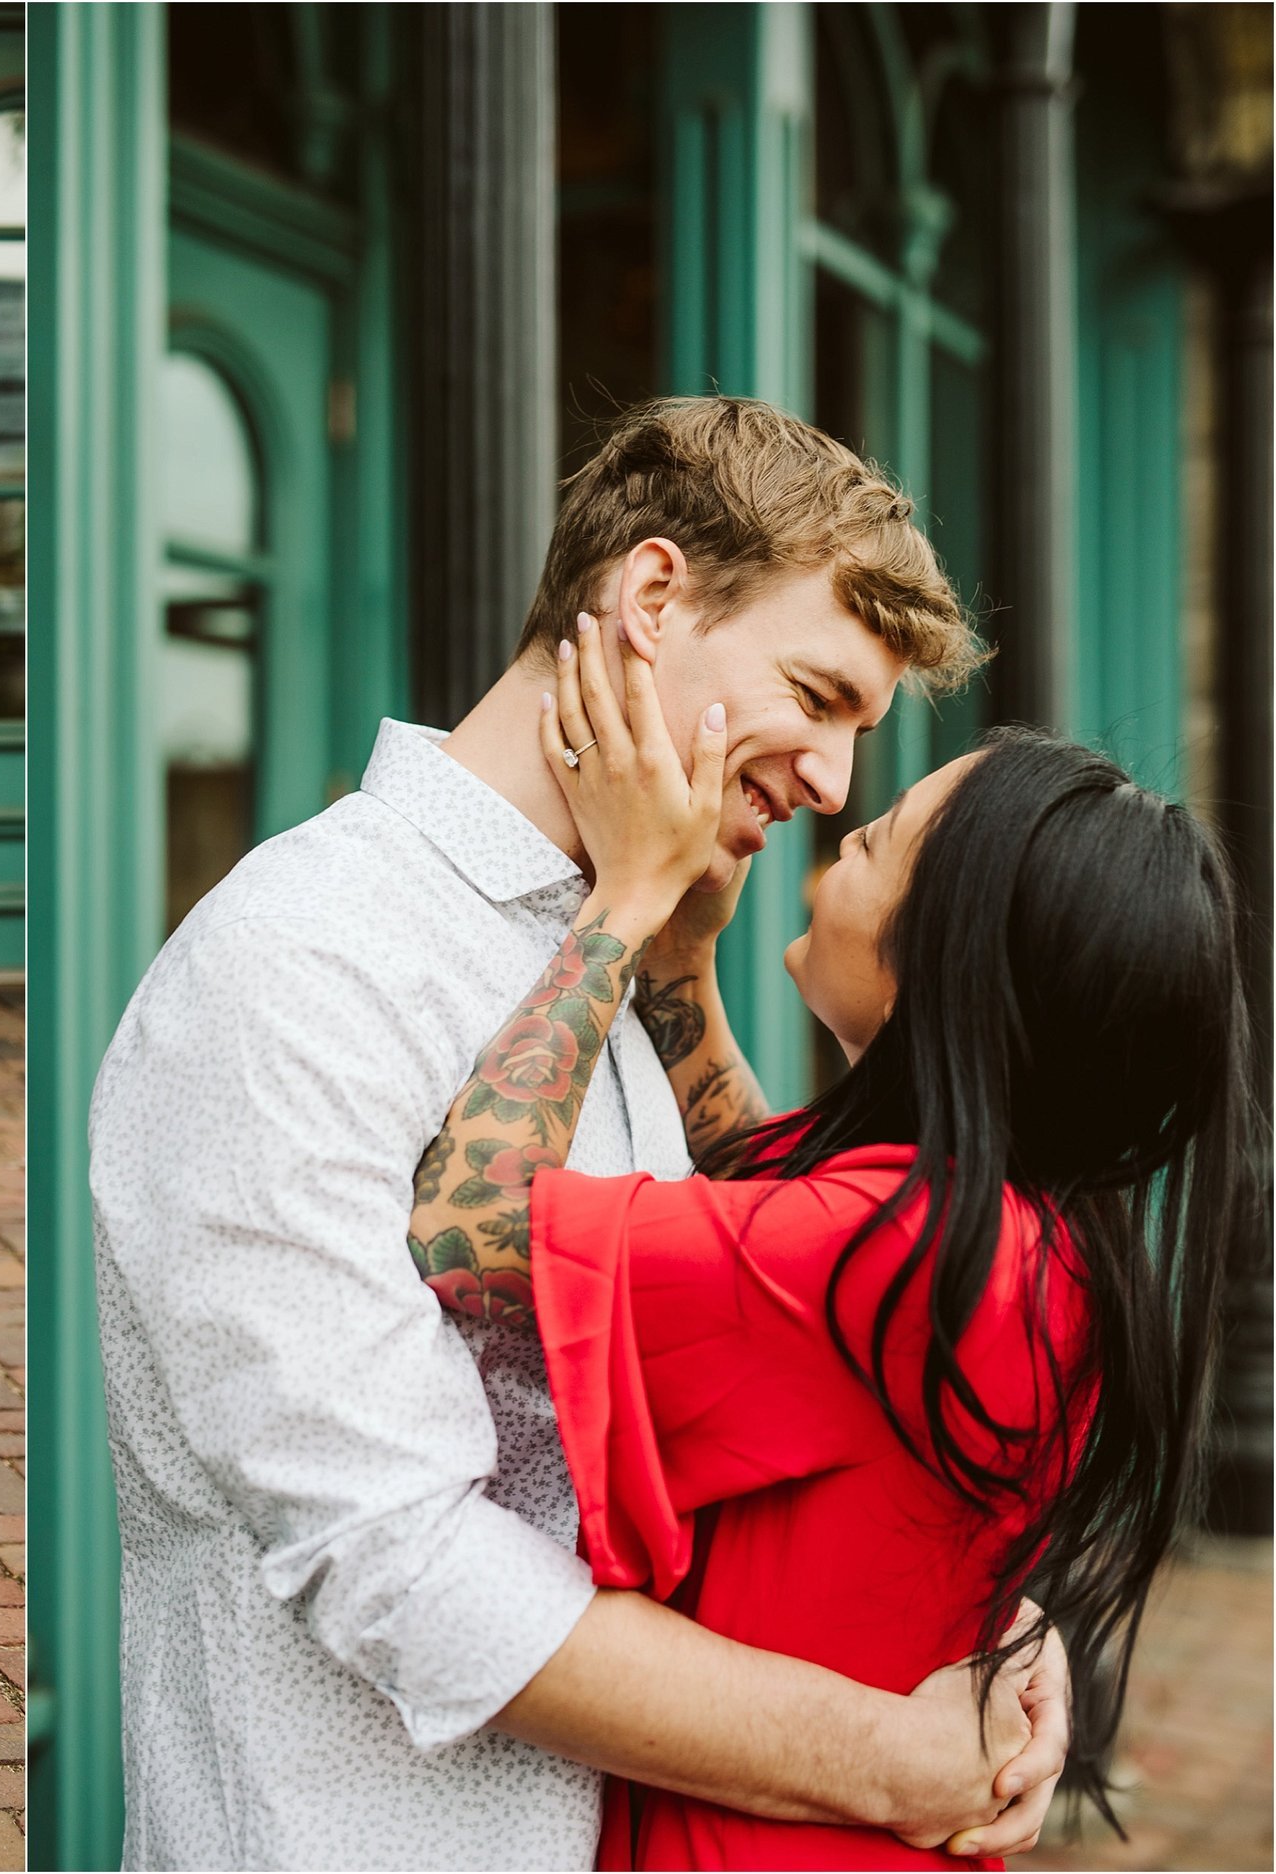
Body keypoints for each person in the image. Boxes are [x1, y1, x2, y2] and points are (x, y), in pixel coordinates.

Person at [87, 398, 1068, 1868]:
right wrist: (887, 1759)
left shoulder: (618, 952)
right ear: (654, 598)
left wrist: (1000, 1626)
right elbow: (394, 1556)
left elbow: (793, 1325)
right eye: (819, 695)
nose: (831, 785)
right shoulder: (299, 958)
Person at [410, 624, 1247, 1867]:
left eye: (869, 843)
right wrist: (683, 964)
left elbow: (468, 1227)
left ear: (950, 960)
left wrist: (625, 900)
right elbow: (759, 1205)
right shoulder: (1026, 1235)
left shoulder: (897, 1247)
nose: (824, 842)